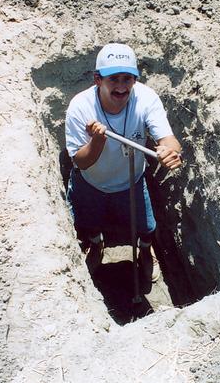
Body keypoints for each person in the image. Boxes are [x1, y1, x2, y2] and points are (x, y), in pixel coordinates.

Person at [65, 43, 182, 282]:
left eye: (127, 79)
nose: (121, 87)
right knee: (88, 223)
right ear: (98, 79)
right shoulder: (80, 106)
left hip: (132, 180)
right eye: (113, 79)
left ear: (135, 79)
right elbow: (81, 162)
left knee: (146, 227)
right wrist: (98, 140)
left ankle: (146, 252)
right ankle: (97, 247)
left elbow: (168, 139)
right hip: (91, 182)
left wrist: (171, 152)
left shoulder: (146, 98)